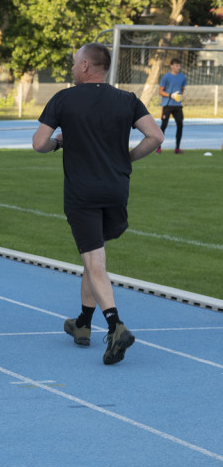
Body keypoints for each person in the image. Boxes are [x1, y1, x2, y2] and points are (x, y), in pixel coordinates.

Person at [33, 42, 163, 365]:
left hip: (83, 193)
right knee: (95, 256)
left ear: (87, 66)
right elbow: (156, 137)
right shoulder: (127, 100)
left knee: (94, 263)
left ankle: (115, 325)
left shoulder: (64, 98)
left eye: (76, 63)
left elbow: (38, 144)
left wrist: (57, 143)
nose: (73, 68)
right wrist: (127, 158)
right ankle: (83, 325)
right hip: (116, 190)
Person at [157, 58, 187, 154]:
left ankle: (177, 148)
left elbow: (182, 89)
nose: (178, 67)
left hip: (177, 106)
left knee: (180, 125)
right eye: (176, 65)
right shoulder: (166, 77)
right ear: (171, 66)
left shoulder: (183, 77)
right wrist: (171, 95)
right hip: (167, 105)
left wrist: (179, 96)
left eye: (179, 65)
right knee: (164, 126)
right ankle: (158, 147)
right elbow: (160, 92)